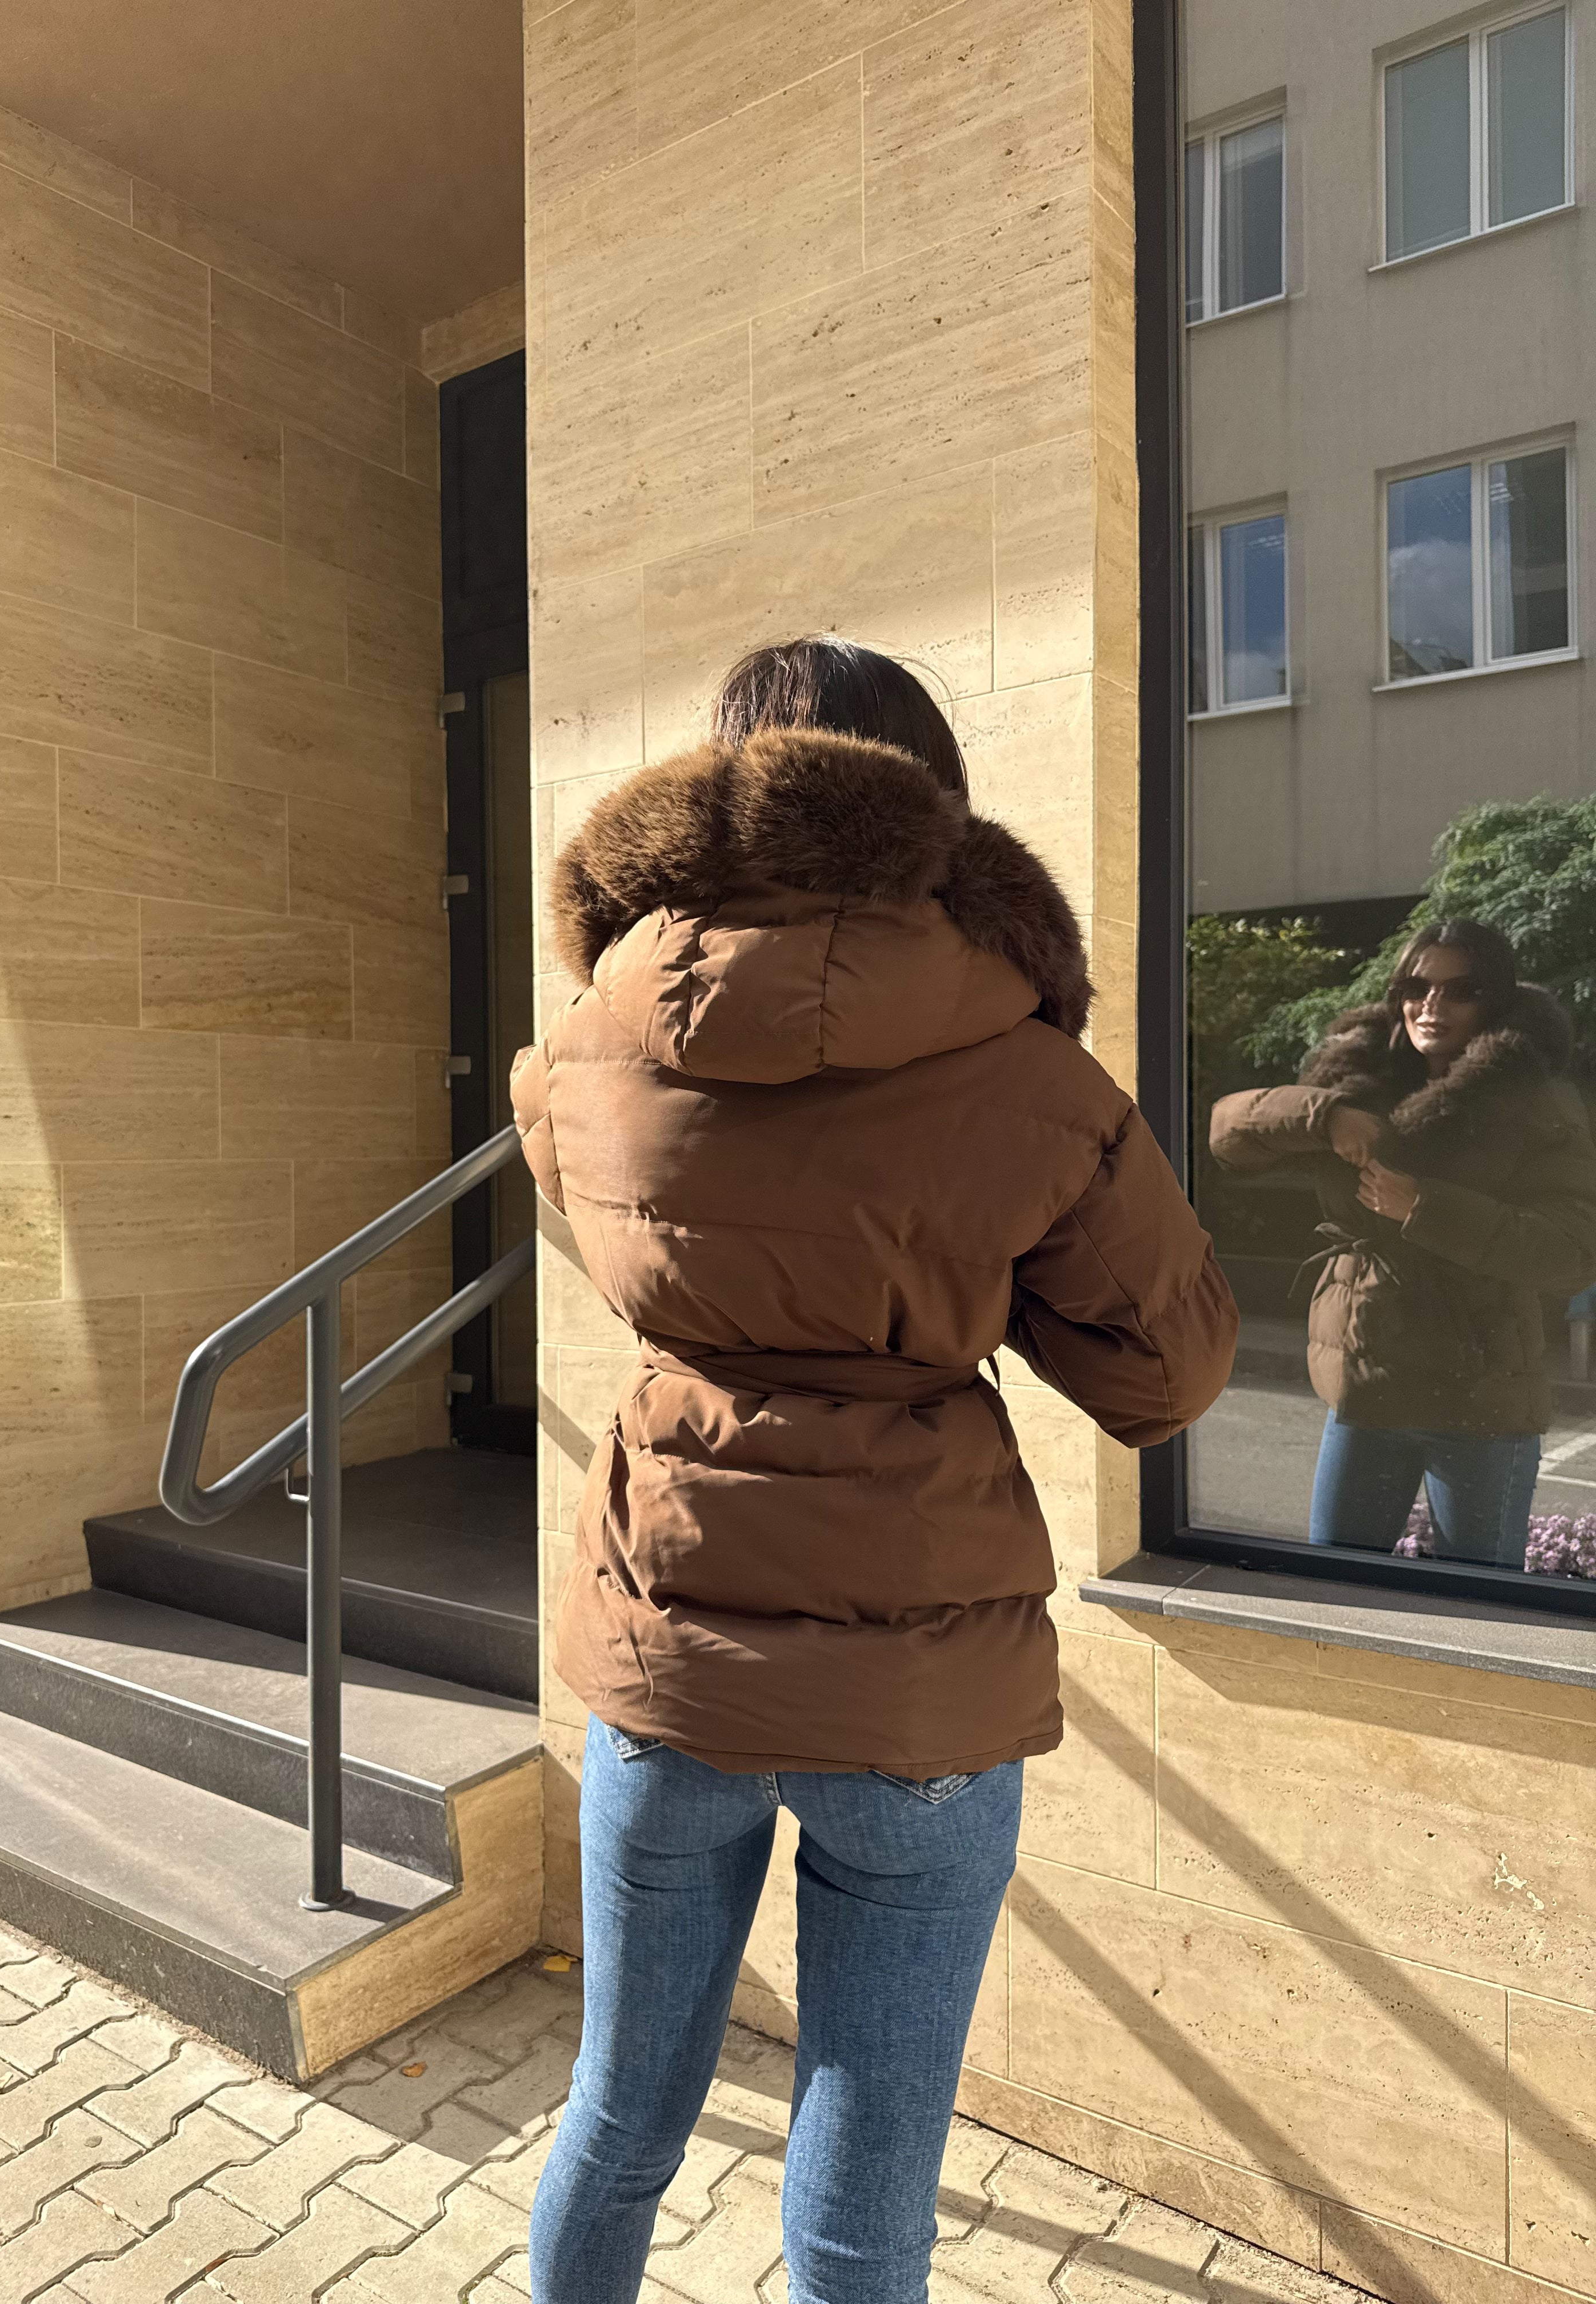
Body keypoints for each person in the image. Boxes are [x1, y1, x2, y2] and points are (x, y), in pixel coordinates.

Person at [511, 635, 1237, 2304]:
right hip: (917, 1687)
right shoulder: (1027, 1068)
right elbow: (1170, 1376)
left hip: (671, 1649)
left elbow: (632, 1243)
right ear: (929, 807)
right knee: (864, 2204)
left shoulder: (592, 1045)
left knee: (616, 2118)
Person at [1210, 919, 1596, 1567]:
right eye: (1417, 987)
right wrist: (1326, 1116)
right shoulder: (1358, 1076)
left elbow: (1572, 1251)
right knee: (1336, 1592)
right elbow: (1229, 1134)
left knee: (1477, 1607)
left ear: (1495, 1000)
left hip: (1481, 1400)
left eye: (1460, 990)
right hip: (1367, 1388)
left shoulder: (1536, 1101)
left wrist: (1425, 1207)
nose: (1432, 1005)